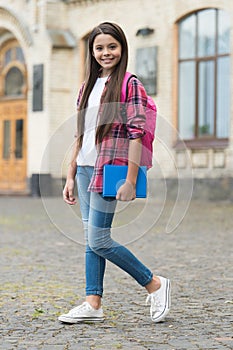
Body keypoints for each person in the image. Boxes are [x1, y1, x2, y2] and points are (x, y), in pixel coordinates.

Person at [58, 22, 171, 324]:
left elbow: (137, 133)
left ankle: (154, 284)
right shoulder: (86, 87)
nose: (106, 53)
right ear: (91, 52)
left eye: (112, 46)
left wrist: (131, 180)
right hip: (83, 170)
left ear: (122, 48)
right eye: (99, 48)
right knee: (90, 238)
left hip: (108, 170)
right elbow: (80, 134)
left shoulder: (130, 84)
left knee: (99, 240)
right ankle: (93, 303)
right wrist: (70, 175)